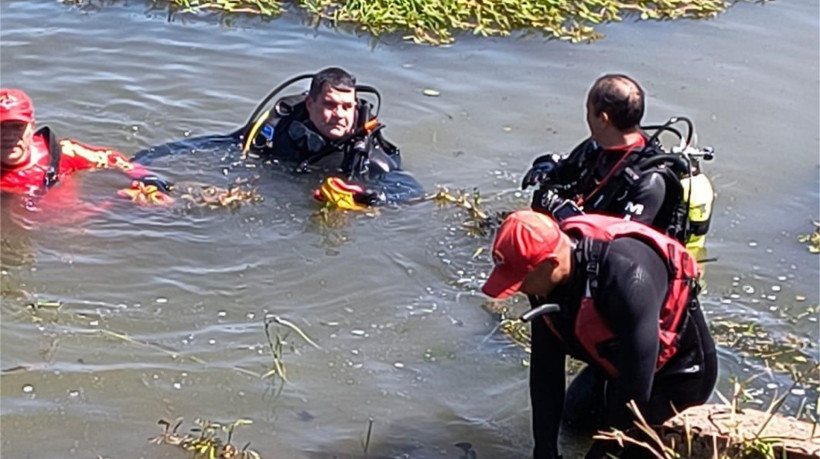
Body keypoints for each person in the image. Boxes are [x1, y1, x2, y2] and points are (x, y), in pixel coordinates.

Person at [482, 210, 717, 459]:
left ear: (551, 263)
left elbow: (634, 389)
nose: (518, 290)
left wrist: (608, 449)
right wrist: (544, 448)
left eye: (521, 282)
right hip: (616, 362)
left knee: (627, 454)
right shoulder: (544, 278)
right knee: (572, 423)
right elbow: (545, 369)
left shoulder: (628, 278)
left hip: (677, 372)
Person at [521, 74, 714, 249]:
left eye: (588, 110)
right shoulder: (597, 146)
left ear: (603, 119)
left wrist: (560, 211)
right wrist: (546, 168)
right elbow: (565, 172)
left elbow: (618, 247)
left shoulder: (650, 180)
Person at [242, 67, 423, 207]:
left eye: (347, 107)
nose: (339, 114)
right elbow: (227, 145)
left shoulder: (369, 159)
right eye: (330, 105)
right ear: (310, 104)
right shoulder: (280, 127)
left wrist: (372, 198)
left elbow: (413, 193)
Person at [0, 88, 172, 204]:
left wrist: (147, 178)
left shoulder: (62, 153)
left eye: (17, 127)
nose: (8, 136)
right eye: (0, 127)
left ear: (32, 127)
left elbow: (111, 158)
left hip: (90, 223)